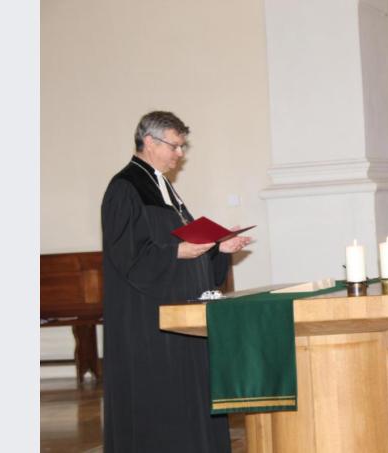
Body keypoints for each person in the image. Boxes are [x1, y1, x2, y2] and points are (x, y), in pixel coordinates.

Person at [101, 111, 250, 452]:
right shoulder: (124, 188)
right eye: (176, 146)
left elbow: (184, 243)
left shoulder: (163, 186)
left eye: (182, 146)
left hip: (180, 308)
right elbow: (128, 256)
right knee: (160, 399)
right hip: (147, 320)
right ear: (150, 142)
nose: (180, 154)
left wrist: (218, 247)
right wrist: (177, 253)